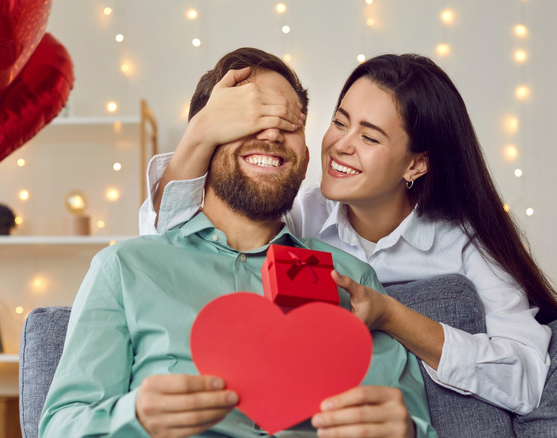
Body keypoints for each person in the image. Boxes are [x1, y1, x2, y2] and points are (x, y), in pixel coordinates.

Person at [140, 53, 557, 415]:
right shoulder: (300, 216)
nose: (341, 146)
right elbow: (176, 242)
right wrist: (202, 130)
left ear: (415, 164)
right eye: (339, 122)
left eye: (369, 137)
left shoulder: (466, 243)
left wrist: (392, 315)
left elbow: (526, 377)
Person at [40, 48, 437, 438]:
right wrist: (135, 418)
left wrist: (407, 432)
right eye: (251, 118)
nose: (272, 133)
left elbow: (408, 420)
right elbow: (59, 426)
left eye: (289, 124)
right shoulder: (126, 269)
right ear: (207, 137)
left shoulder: (353, 280)